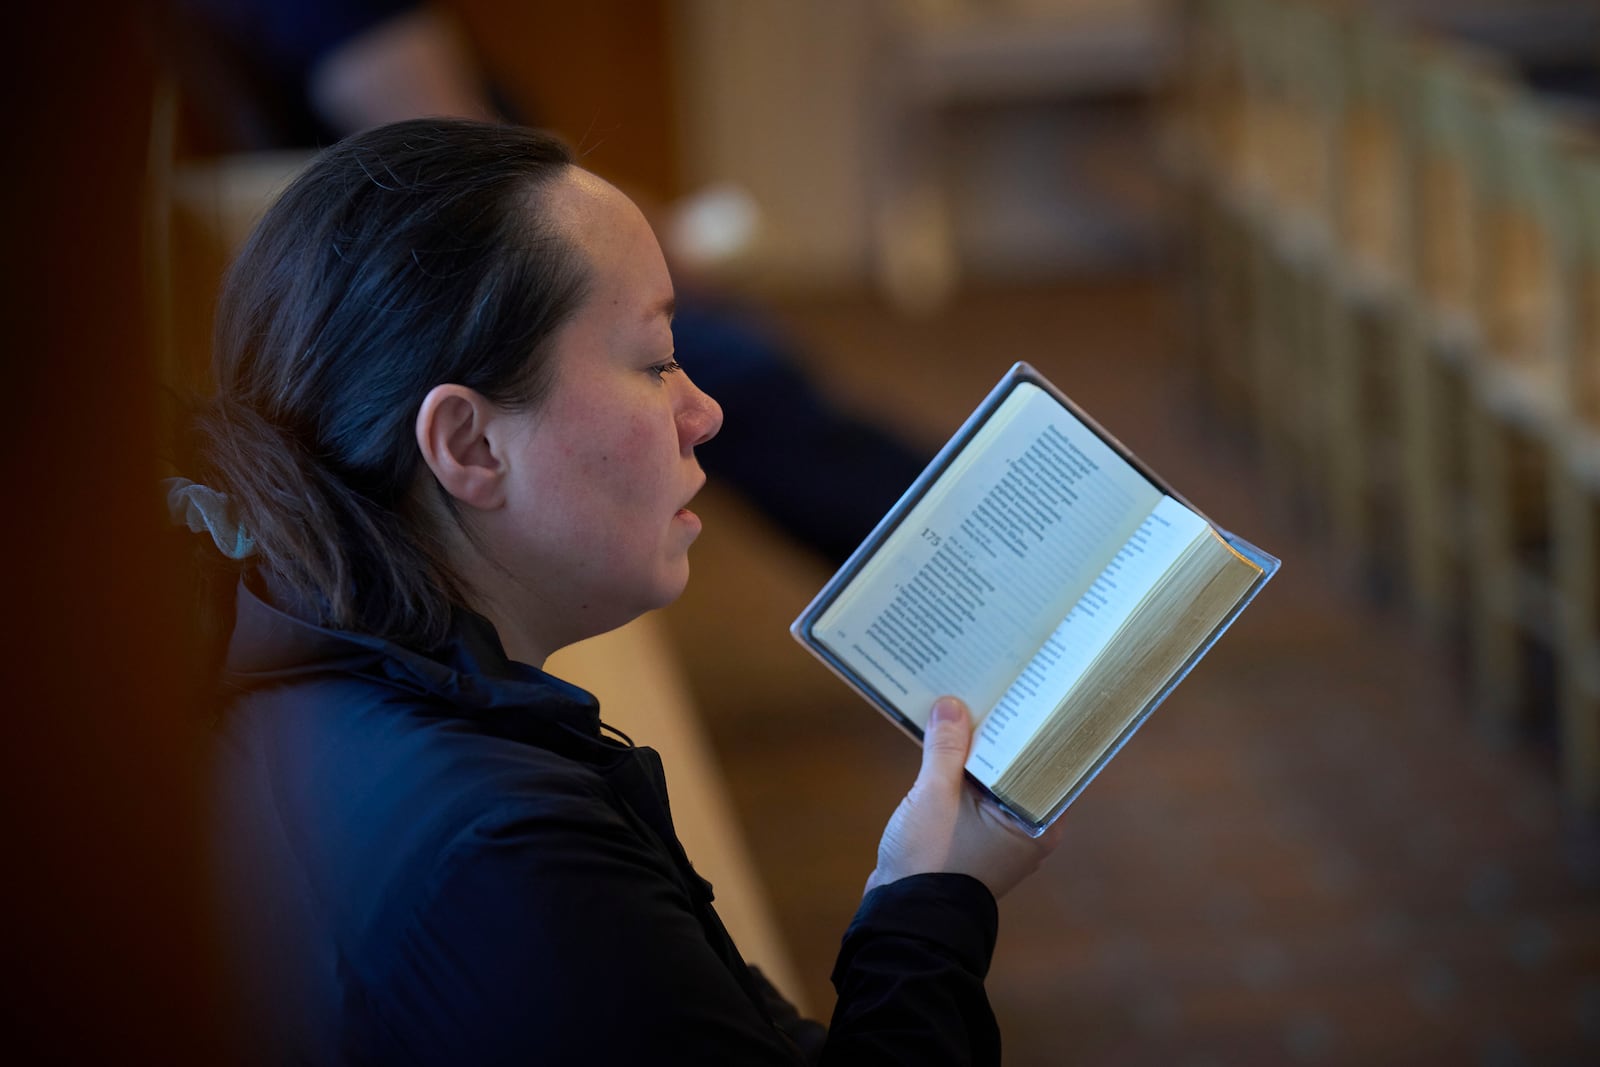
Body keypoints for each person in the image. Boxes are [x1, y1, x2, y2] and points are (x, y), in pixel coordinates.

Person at [179, 118, 1058, 1064]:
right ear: (470, 445)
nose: (705, 410)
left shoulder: (291, 654)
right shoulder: (513, 861)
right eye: (653, 361)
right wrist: (929, 904)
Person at [169, 0, 932, 566]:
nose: (697, 415)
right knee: (740, 375)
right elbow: (467, 157)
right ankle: (944, 553)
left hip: (393, 282)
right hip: (451, 280)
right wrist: (648, 241)